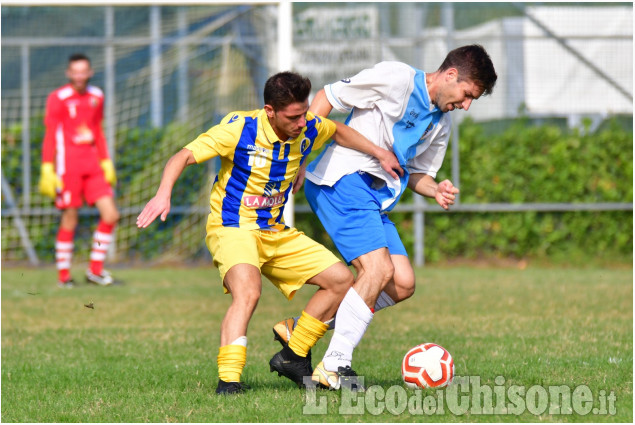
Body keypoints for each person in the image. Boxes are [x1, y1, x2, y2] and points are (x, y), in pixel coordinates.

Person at [136, 71, 402, 395]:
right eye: (294, 117)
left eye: (305, 113)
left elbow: (339, 131)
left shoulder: (308, 127)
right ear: (270, 111)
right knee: (248, 292)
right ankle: (229, 382)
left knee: (341, 280)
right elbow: (183, 156)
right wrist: (164, 193)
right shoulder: (240, 128)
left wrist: (380, 153)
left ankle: (293, 354)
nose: (303, 122)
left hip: (274, 231)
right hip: (233, 227)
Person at [271, 45, 497, 390]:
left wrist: (435, 189)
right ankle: (334, 364)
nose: (466, 105)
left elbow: (416, 173)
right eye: (467, 95)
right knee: (377, 270)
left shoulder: (441, 123)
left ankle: (299, 334)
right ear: (451, 75)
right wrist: (301, 157)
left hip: (374, 199)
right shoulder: (397, 79)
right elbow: (328, 97)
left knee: (402, 282)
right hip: (342, 179)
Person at [39, 53, 120, 288]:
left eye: (84, 71)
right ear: (69, 73)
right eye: (75, 71)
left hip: (93, 167)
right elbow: (50, 134)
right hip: (68, 168)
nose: (80, 76)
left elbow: (97, 130)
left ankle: (95, 270)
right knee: (70, 219)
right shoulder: (58, 98)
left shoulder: (97, 96)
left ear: (90, 72)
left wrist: (105, 160)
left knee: (111, 215)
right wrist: (47, 166)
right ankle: (64, 276)